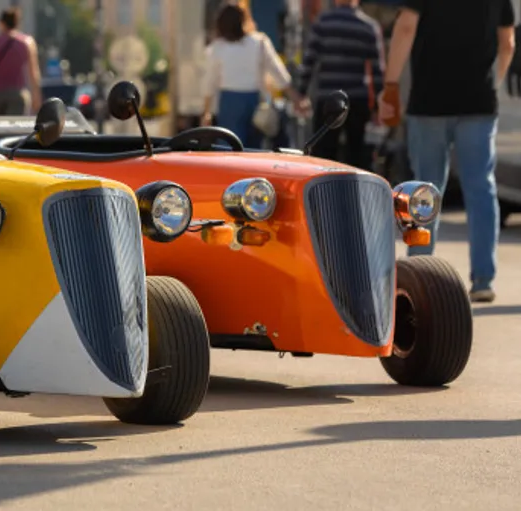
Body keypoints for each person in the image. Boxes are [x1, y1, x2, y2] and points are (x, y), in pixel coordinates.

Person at [379, 0, 516, 303]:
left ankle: (420, 273)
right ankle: (482, 280)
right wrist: (493, 83)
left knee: (425, 191)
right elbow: (507, 42)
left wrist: (390, 85)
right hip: (479, 103)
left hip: (430, 103)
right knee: (481, 189)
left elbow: (405, 27)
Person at [297, 0, 386, 170]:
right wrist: (376, 107)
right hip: (357, 100)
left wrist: (301, 93)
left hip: (328, 100)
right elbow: (377, 71)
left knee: (323, 156)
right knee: (356, 155)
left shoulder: (322, 23)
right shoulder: (369, 26)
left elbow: (309, 61)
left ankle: (323, 194)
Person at [199, 2, 299, 148]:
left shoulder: (217, 48)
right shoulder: (259, 42)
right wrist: (296, 98)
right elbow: (279, 73)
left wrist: (206, 112)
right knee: (253, 150)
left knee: (228, 148)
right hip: (255, 101)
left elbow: (209, 83)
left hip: (229, 103)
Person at [0, 7, 42, 115]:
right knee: (15, 128)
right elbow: (34, 72)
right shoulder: (27, 43)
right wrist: (36, 95)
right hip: (17, 93)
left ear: (1, 23)